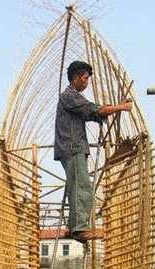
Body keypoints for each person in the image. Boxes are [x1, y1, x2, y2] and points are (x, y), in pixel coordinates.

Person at [54, 60, 133, 243]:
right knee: (81, 187)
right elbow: (94, 109)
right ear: (76, 78)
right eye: (85, 78)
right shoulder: (69, 96)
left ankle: (76, 227)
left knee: (78, 186)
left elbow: (93, 113)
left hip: (73, 147)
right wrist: (121, 108)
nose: (87, 82)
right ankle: (80, 229)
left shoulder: (73, 97)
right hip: (72, 147)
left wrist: (114, 107)